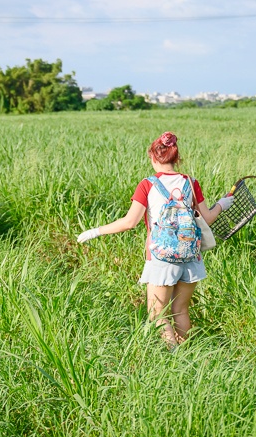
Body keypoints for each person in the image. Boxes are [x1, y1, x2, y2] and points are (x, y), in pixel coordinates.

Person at [76, 131, 233, 347]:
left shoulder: (148, 184)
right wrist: (222, 203)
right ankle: (187, 355)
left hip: (161, 257)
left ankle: (173, 358)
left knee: (157, 313)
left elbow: (129, 222)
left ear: (152, 157)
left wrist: (95, 231)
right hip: (191, 255)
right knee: (181, 310)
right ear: (176, 158)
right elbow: (207, 218)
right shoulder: (190, 182)